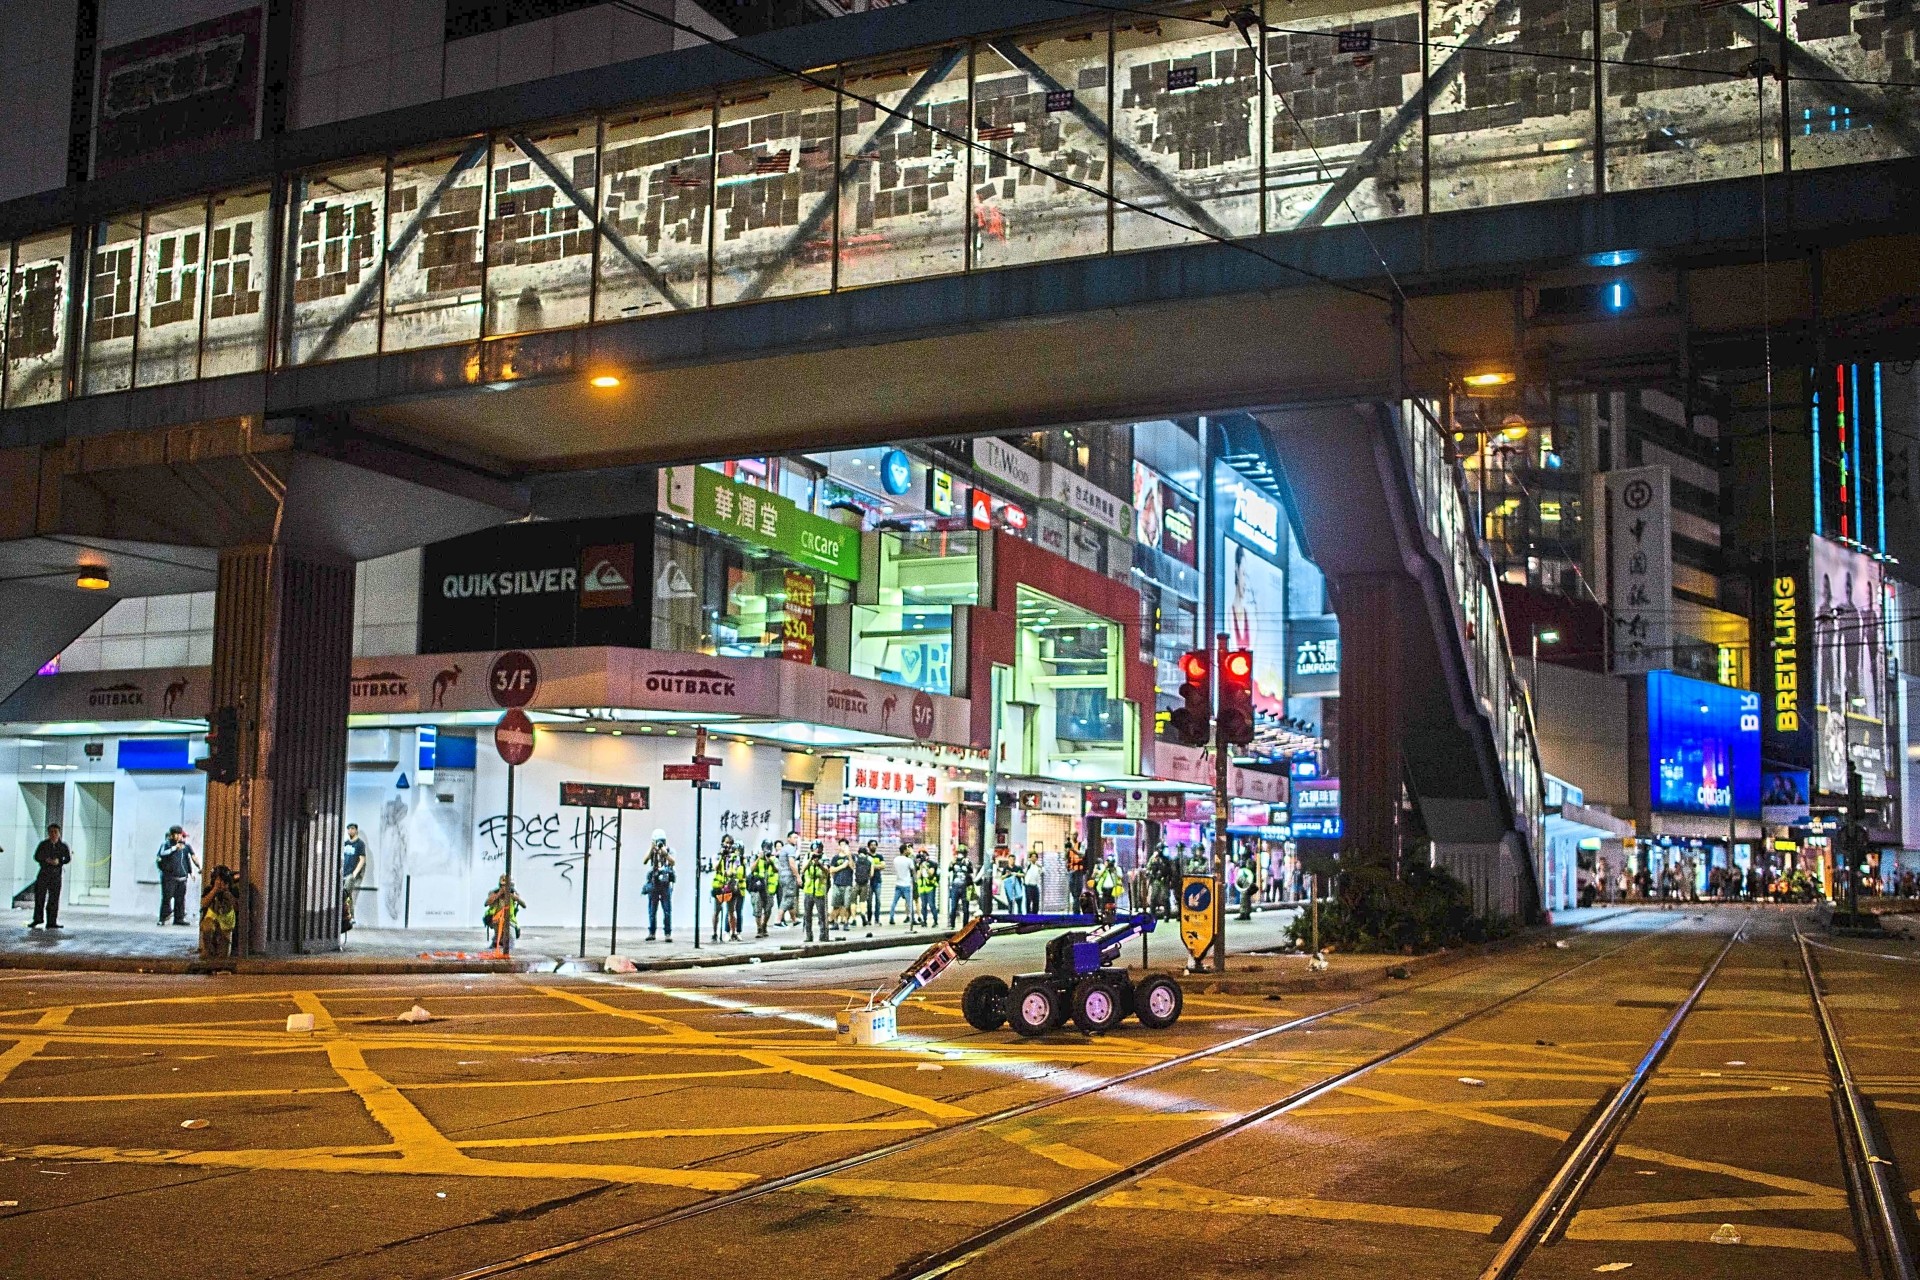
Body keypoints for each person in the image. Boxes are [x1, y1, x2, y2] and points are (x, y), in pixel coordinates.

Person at [29, 824, 70, 930]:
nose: (53, 834)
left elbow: (67, 858)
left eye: (55, 832)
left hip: (56, 875)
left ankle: (52, 921)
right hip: (44, 874)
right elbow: (36, 856)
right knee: (40, 897)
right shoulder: (43, 845)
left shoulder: (63, 846)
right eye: (51, 832)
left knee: (54, 899)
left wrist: (59, 861)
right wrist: (46, 860)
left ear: (59, 833)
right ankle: (38, 919)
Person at [155, 825, 197, 927]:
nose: (178, 836)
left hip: (181, 877)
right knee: (167, 898)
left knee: (180, 899)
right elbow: (161, 854)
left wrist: (191, 872)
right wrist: (174, 848)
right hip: (169, 877)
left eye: (180, 834)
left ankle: (179, 918)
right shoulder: (166, 844)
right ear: (172, 835)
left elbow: (187, 860)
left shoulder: (184, 846)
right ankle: (163, 918)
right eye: (176, 834)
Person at [199, 865, 238, 958]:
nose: (221, 883)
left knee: (223, 956)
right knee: (207, 926)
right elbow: (204, 903)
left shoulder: (233, 890)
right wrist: (214, 890)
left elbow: (238, 907)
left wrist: (228, 894)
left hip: (226, 924)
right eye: (218, 880)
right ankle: (208, 950)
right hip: (212, 919)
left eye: (223, 881)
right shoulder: (209, 889)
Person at [643, 830, 676, 942]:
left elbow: (673, 862)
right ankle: (652, 933)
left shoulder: (670, 851)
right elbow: (644, 860)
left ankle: (668, 933)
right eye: (658, 841)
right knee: (652, 910)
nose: (660, 843)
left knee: (667, 911)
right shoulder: (652, 851)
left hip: (665, 884)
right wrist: (652, 848)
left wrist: (664, 853)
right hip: (654, 883)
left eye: (662, 841)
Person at [748, 842, 779, 939]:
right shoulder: (755, 857)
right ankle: (759, 928)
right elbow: (752, 869)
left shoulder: (774, 858)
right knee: (757, 908)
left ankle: (764, 925)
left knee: (768, 908)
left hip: (769, 888)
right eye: (765, 847)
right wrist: (759, 858)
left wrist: (771, 862)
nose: (767, 849)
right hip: (758, 886)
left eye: (769, 847)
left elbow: (777, 870)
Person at [801, 846, 831, 943]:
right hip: (808, 890)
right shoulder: (807, 857)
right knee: (807, 915)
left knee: (822, 915)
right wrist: (810, 859)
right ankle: (808, 936)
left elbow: (827, 871)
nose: (817, 852)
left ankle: (823, 936)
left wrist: (819, 864)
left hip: (820, 891)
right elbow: (802, 870)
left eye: (819, 849)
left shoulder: (824, 858)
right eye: (815, 849)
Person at [341, 823, 368, 931]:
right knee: (346, 895)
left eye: (352, 829)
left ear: (356, 830)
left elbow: (362, 859)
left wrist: (354, 873)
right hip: (344, 872)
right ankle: (348, 916)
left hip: (351, 874)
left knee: (346, 894)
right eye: (348, 829)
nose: (350, 831)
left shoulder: (360, 844)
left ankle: (350, 917)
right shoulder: (345, 843)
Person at [828, 840, 855, 928]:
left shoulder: (851, 857)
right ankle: (835, 923)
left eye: (845, 845)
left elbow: (852, 867)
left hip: (848, 884)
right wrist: (842, 866)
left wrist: (849, 855)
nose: (843, 846)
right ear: (839, 846)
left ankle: (846, 922)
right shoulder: (835, 858)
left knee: (847, 905)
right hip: (837, 883)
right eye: (841, 845)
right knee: (836, 904)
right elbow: (831, 870)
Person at [947, 846, 975, 928]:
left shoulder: (967, 862)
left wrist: (967, 864)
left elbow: (971, 871)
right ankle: (952, 924)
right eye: (959, 853)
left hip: (965, 887)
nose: (960, 855)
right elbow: (949, 869)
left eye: (962, 853)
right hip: (955, 886)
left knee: (965, 908)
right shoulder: (954, 861)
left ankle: (965, 925)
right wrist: (952, 863)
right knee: (953, 907)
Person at [775, 839, 799, 927]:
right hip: (788, 878)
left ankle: (794, 919)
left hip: (783, 878)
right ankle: (778, 920)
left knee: (789, 898)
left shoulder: (783, 851)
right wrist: (798, 876)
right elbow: (792, 863)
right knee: (788, 898)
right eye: (794, 837)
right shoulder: (790, 849)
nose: (796, 839)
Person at [890, 846, 917, 926]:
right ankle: (912, 919)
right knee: (909, 903)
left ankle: (891, 917)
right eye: (907, 849)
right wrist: (915, 880)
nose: (908, 851)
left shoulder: (895, 859)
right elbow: (913, 870)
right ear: (904, 850)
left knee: (894, 902)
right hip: (906, 884)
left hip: (898, 884)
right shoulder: (909, 860)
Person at [852, 839, 875, 927]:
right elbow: (872, 874)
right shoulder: (870, 859)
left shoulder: (855, 858)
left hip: (855, 883)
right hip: (865, 883)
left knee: (853, 902)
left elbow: (852, 868)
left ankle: (854, 919)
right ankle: (862, 913)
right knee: (863, 901)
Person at [915, 852, 941, 927]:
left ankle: (935, 921)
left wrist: (926, 867)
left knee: (931, 904)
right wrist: (920, 867)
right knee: (923, 905)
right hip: (922, 887)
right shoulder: (919, 865)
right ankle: (924, 921)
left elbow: (931, 873)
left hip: (930, 887)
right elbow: (918, 876)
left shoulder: (932, 863)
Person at [1065, 836, 1088, 909]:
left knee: (1077, 892)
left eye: (1074, 835)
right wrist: (1067, 850)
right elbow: (1066, 857)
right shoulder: (1069, 845)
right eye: (1072, 835)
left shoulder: (1081, 844)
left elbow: (1082, 854)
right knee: (1072, 891)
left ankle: (1076, 910)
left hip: (1078, 871)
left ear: (1077, 835)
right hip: (1071, 871)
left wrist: (1073, 849)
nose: (1073, 836)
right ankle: (1076, 907)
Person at [1023, 847, 1043, 913]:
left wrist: (1039, 866)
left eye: (1035, 857)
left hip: (1035, 886)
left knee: (1036, 901)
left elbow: (1043, 871)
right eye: (1032, 857)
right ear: (1030, 858)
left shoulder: (1038, 866)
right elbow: (1024, 872)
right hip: (1028, 886)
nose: (1034, 858)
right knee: (1028, 901)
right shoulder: (1028, 865)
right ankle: (1028, 914)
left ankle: (1035, 914)